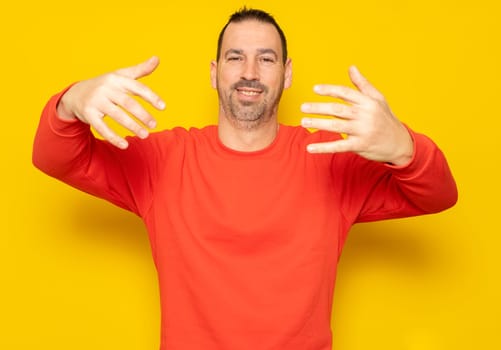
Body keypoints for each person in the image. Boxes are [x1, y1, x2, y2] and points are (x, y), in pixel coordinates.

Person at [32, 7, 457, 350]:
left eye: (266, 58)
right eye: (236, 57)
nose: (250, 71)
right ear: (214, 71)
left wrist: (404, 145)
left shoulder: (330, 158)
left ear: (287, 73)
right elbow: (54, 157)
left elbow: (438, 195)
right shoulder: (163, 160)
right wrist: (71, 100)